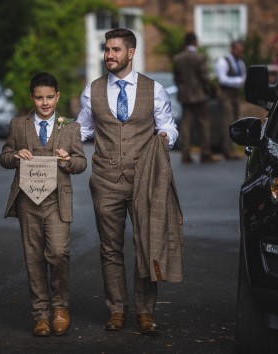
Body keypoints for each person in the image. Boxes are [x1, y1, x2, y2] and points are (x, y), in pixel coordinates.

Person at [75, 28, 183, 336]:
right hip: (105, 179)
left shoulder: (155, 90)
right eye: (107, 49)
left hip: (144, 179)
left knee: (145, 245)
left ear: (131, 53)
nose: (109, 55)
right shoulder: (91, 91)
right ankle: (117, 310)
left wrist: (165, 137)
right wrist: (59, 140)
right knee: (110, 248)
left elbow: (169, 127)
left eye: (115, 50)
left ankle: (145, 312)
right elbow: (83, 130)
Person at [0, 72, 87, 337]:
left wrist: (67, 160)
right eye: (39, 98)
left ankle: (60, 307)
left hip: (57, 201)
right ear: (31, 98)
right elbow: (3, 157)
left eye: (50, 97)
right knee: (34, 257)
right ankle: (40, 314)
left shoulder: (70, 127)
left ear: (57, 97)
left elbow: (82, 163)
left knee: (59, 253)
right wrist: (15, 156)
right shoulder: (18, 125)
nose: (45, 103)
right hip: (27, 200)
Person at [172, 32, 220, 164]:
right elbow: (204, 77)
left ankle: (185, 154)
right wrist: (209, 91)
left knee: (186, 125)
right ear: (194, 42)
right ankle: (205, 153)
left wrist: (182, 88)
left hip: (185, 96)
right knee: (203, 124)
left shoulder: (178, 58)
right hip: (199, 95)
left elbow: (176, 78)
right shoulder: (199, 57)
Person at [214, 40, 246, 160]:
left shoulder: (240, 62)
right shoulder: (223, 61)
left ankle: (232, 149)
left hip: (235, 94)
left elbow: (244, 76)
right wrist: (239, 81)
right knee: (227, 121)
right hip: (225, 94)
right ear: (232, 49)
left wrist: (242, 81)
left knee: (235, 121)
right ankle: (228, 151)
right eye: (239, 50)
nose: (241, 52)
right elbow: (222, 79)